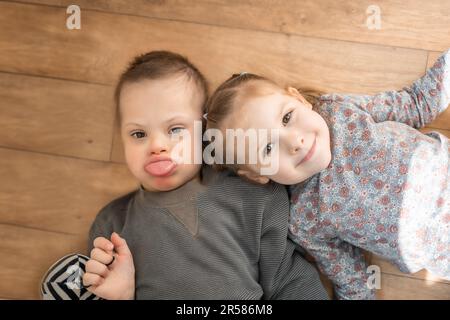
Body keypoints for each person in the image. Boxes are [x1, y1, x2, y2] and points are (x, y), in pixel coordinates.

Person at [81, 50, 329, 300]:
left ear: (206, 136)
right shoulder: (113, 225)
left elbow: (290, 279)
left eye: (175, 129)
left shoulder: (249, 193)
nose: (157, 146)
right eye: (138, 134)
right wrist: (122, 296)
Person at [204, 49, 450, 299]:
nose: (294, 142)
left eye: (287, 117)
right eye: (268, 148)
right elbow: (352, 277)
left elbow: (416, 103)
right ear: (257, 175)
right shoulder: (304, 218)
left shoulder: (339, 111)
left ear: (299, 99)